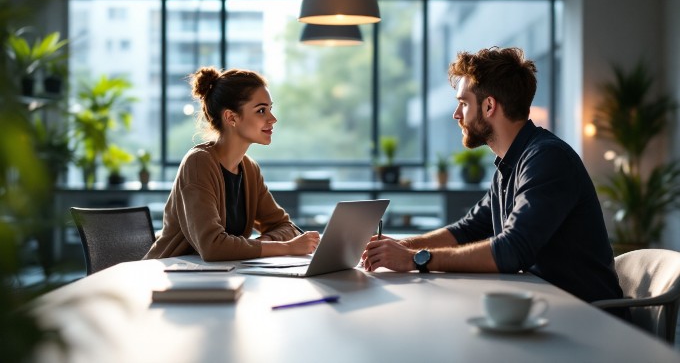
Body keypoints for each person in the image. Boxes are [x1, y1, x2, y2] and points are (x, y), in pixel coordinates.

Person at [362, 47, 626, 315]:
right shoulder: (511, 163)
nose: (456, 114)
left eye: (463, 103)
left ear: (489, 106)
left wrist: (415, 260)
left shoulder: (547, 158)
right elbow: (468, 229)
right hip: (545, 307)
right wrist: (400, 246)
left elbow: (512, 250)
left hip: (587, 318)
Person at [144, 67, 319, 261]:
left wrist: (264, 243)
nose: (273, 119)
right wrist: (284, 247)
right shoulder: (198, 163)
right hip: (170, 278)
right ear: (231, 117)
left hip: (219, 276)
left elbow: (285, 226)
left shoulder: (250, 169)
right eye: (261, 110)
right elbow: (213, 247)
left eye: (270, 109)